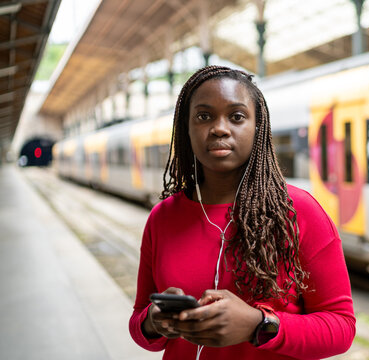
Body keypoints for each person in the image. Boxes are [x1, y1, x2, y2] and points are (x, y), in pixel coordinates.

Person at [129, 65, 356, 359]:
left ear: (257, 127)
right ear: (186, 128)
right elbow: (139, 324)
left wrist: (259, 325)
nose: (219, 128)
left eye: (237, 117)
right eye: (203, 116)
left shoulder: (299, 211)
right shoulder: (162, 218)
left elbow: (341, 328)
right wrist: (154, 321)